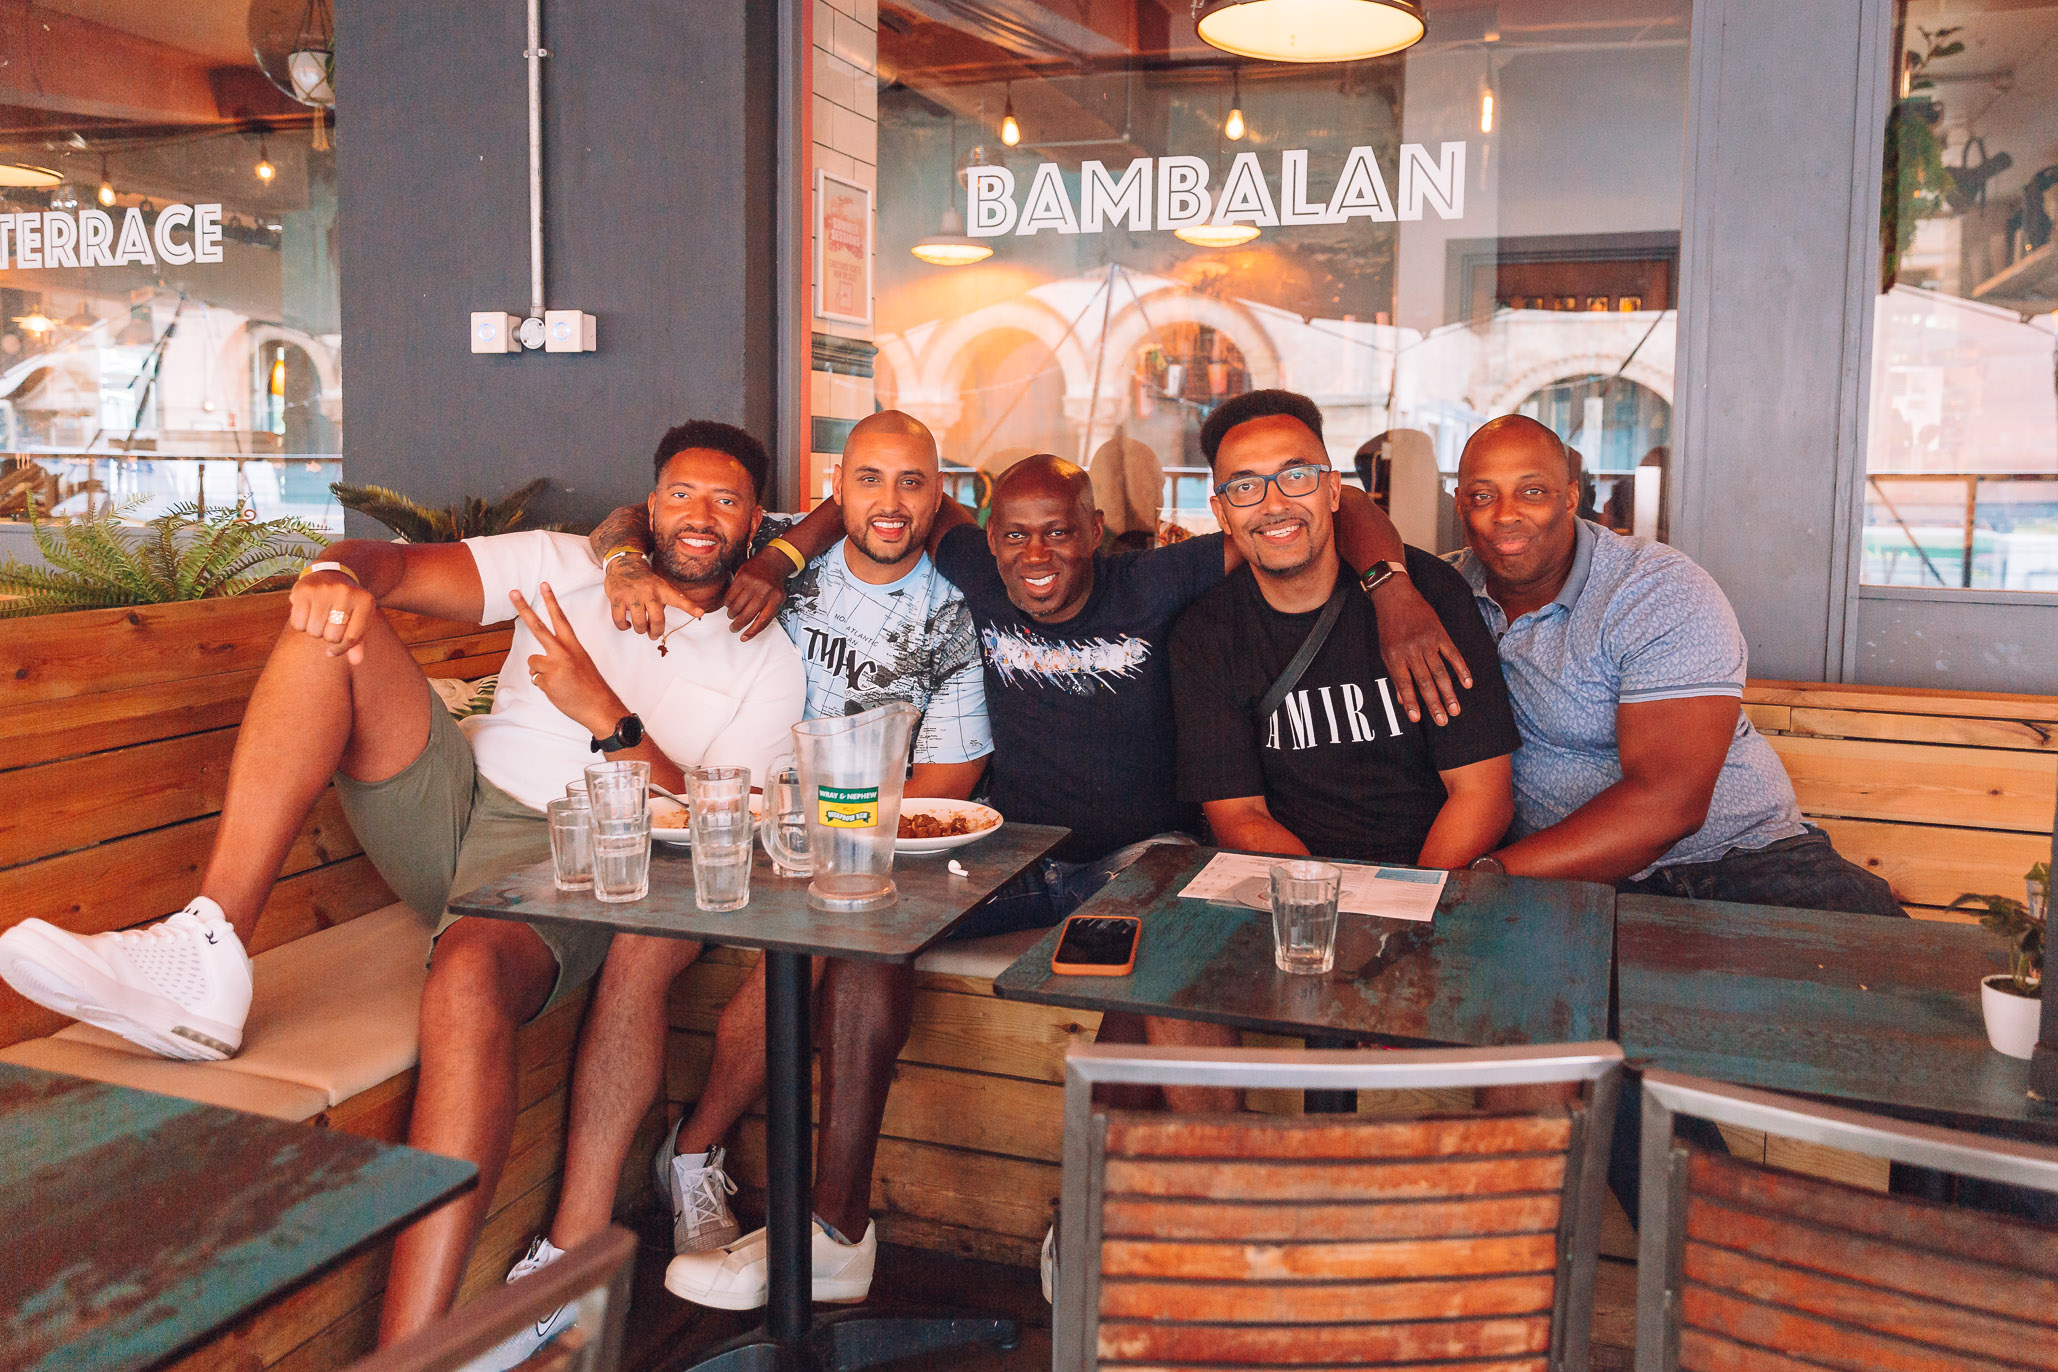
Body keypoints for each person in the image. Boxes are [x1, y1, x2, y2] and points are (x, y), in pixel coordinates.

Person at [590, 398, 1478, 1296]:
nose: (1036, 554)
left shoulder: (1154, 581)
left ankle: (1102, 1224)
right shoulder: (970, 559)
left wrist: (1390, 584)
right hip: (1008, 853)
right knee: (863, 926)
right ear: (987, 537)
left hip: (1138, 855)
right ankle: (835, 1230)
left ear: (1096, 530)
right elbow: (873, 504)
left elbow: (1311, 514)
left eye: (1059, 532)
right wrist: (780, 554)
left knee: (1154, 950)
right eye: (1015, 535)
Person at [0, 421, 808, 1350]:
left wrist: (606, 716)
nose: (700, 516)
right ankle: (207, 942)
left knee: (466, 980)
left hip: (576, 853)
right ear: (651, 503)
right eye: (682, 494)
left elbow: (720, 823)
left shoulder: (763, 659)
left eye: (725, 501)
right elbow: (390, 566)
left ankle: (409, 1354)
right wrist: (333, 572)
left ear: (755, 522)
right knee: (332, 628)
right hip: (449, 800)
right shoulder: (565, 564)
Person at [552, 412, 989, 1322]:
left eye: (912, 482)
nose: (890, 502)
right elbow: (637, 519)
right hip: (720, 810)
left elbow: (947, 786)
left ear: (939, 494)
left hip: (851, 841)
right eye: (869, 479)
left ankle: (696, 1151)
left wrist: (831, 831)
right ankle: (575, 1250)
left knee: (825, 933)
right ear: (835, 487)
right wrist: (626, 564)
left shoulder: (953, 612)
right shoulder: (774, 553)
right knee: (642, 941)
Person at [1449, 413, 1902, 917]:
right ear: (1460, 504)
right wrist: (1392, 588)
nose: (1505, 514)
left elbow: (1669, 803)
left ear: (1571, 497)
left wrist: (1485, 878)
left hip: (1743, 866)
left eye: (1532, 492)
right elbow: (1366, 522)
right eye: (1483, 496)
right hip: (1570, 889)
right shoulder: (1442, 596)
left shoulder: (1652, 588)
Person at [1172, 392, 1519, 867]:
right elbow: (1241, 816)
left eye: (1296, 476)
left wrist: (1409, 900)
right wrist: (1317, 901)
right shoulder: (1206, 635)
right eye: (1245, 486)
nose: (1274, 504)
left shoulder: (1427, 595)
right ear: (1221, 514)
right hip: (1293, 886)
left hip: (1436, 878)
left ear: (1333, 491)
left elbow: (1482, 793)